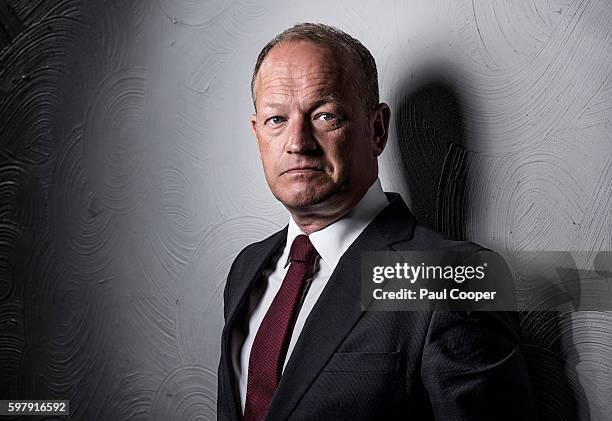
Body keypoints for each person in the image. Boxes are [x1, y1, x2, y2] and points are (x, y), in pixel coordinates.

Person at [217, 23, 536, 421]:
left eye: (325, 115)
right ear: (257, 133)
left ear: (377, 129)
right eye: (276, 120)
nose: (297, 142)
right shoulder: (246, 268)